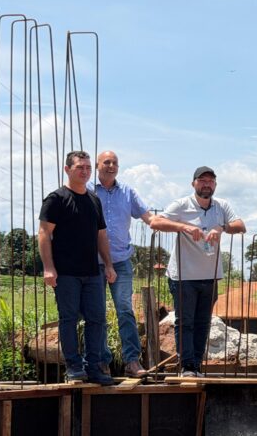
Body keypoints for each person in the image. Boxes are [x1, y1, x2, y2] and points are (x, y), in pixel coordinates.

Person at [151, 167, 245, 377]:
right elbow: (155, 222)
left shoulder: (221, 206)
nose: (206, 184)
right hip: (183, 276)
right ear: (193, 183)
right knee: (185, 322)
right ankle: (186, 366)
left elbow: (240, 226)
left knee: (203, 322)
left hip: (210, 275)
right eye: (202, 180)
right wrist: (183, 227)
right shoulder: (182, 205)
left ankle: (196, 364)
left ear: (215, 185)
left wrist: (221, 228)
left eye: (210, 181)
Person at [37, 150, 118, 385]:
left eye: (88, 168)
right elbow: (44, 233)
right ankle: (74, 366)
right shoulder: (56, 199)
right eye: (80, 167)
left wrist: (109, 265)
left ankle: (94, 367)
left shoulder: (94, 200)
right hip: (66, 272)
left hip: (92, 272)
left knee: (97, 319)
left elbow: (101, 235)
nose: (85, 171)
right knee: (69, 318)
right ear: (67, 170)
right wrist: (48, 268)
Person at [94, 150, 154, 378]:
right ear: (97, 166)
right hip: (92, 263)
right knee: (96, 313)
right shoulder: (87, 190)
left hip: (120, 262)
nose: (111, 166)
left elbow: (150, 218)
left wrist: (179, 225)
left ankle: (132, 361)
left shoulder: (128, 192)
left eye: (115, 163)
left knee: (125, 311)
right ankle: (101, 362)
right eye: (106, 162)